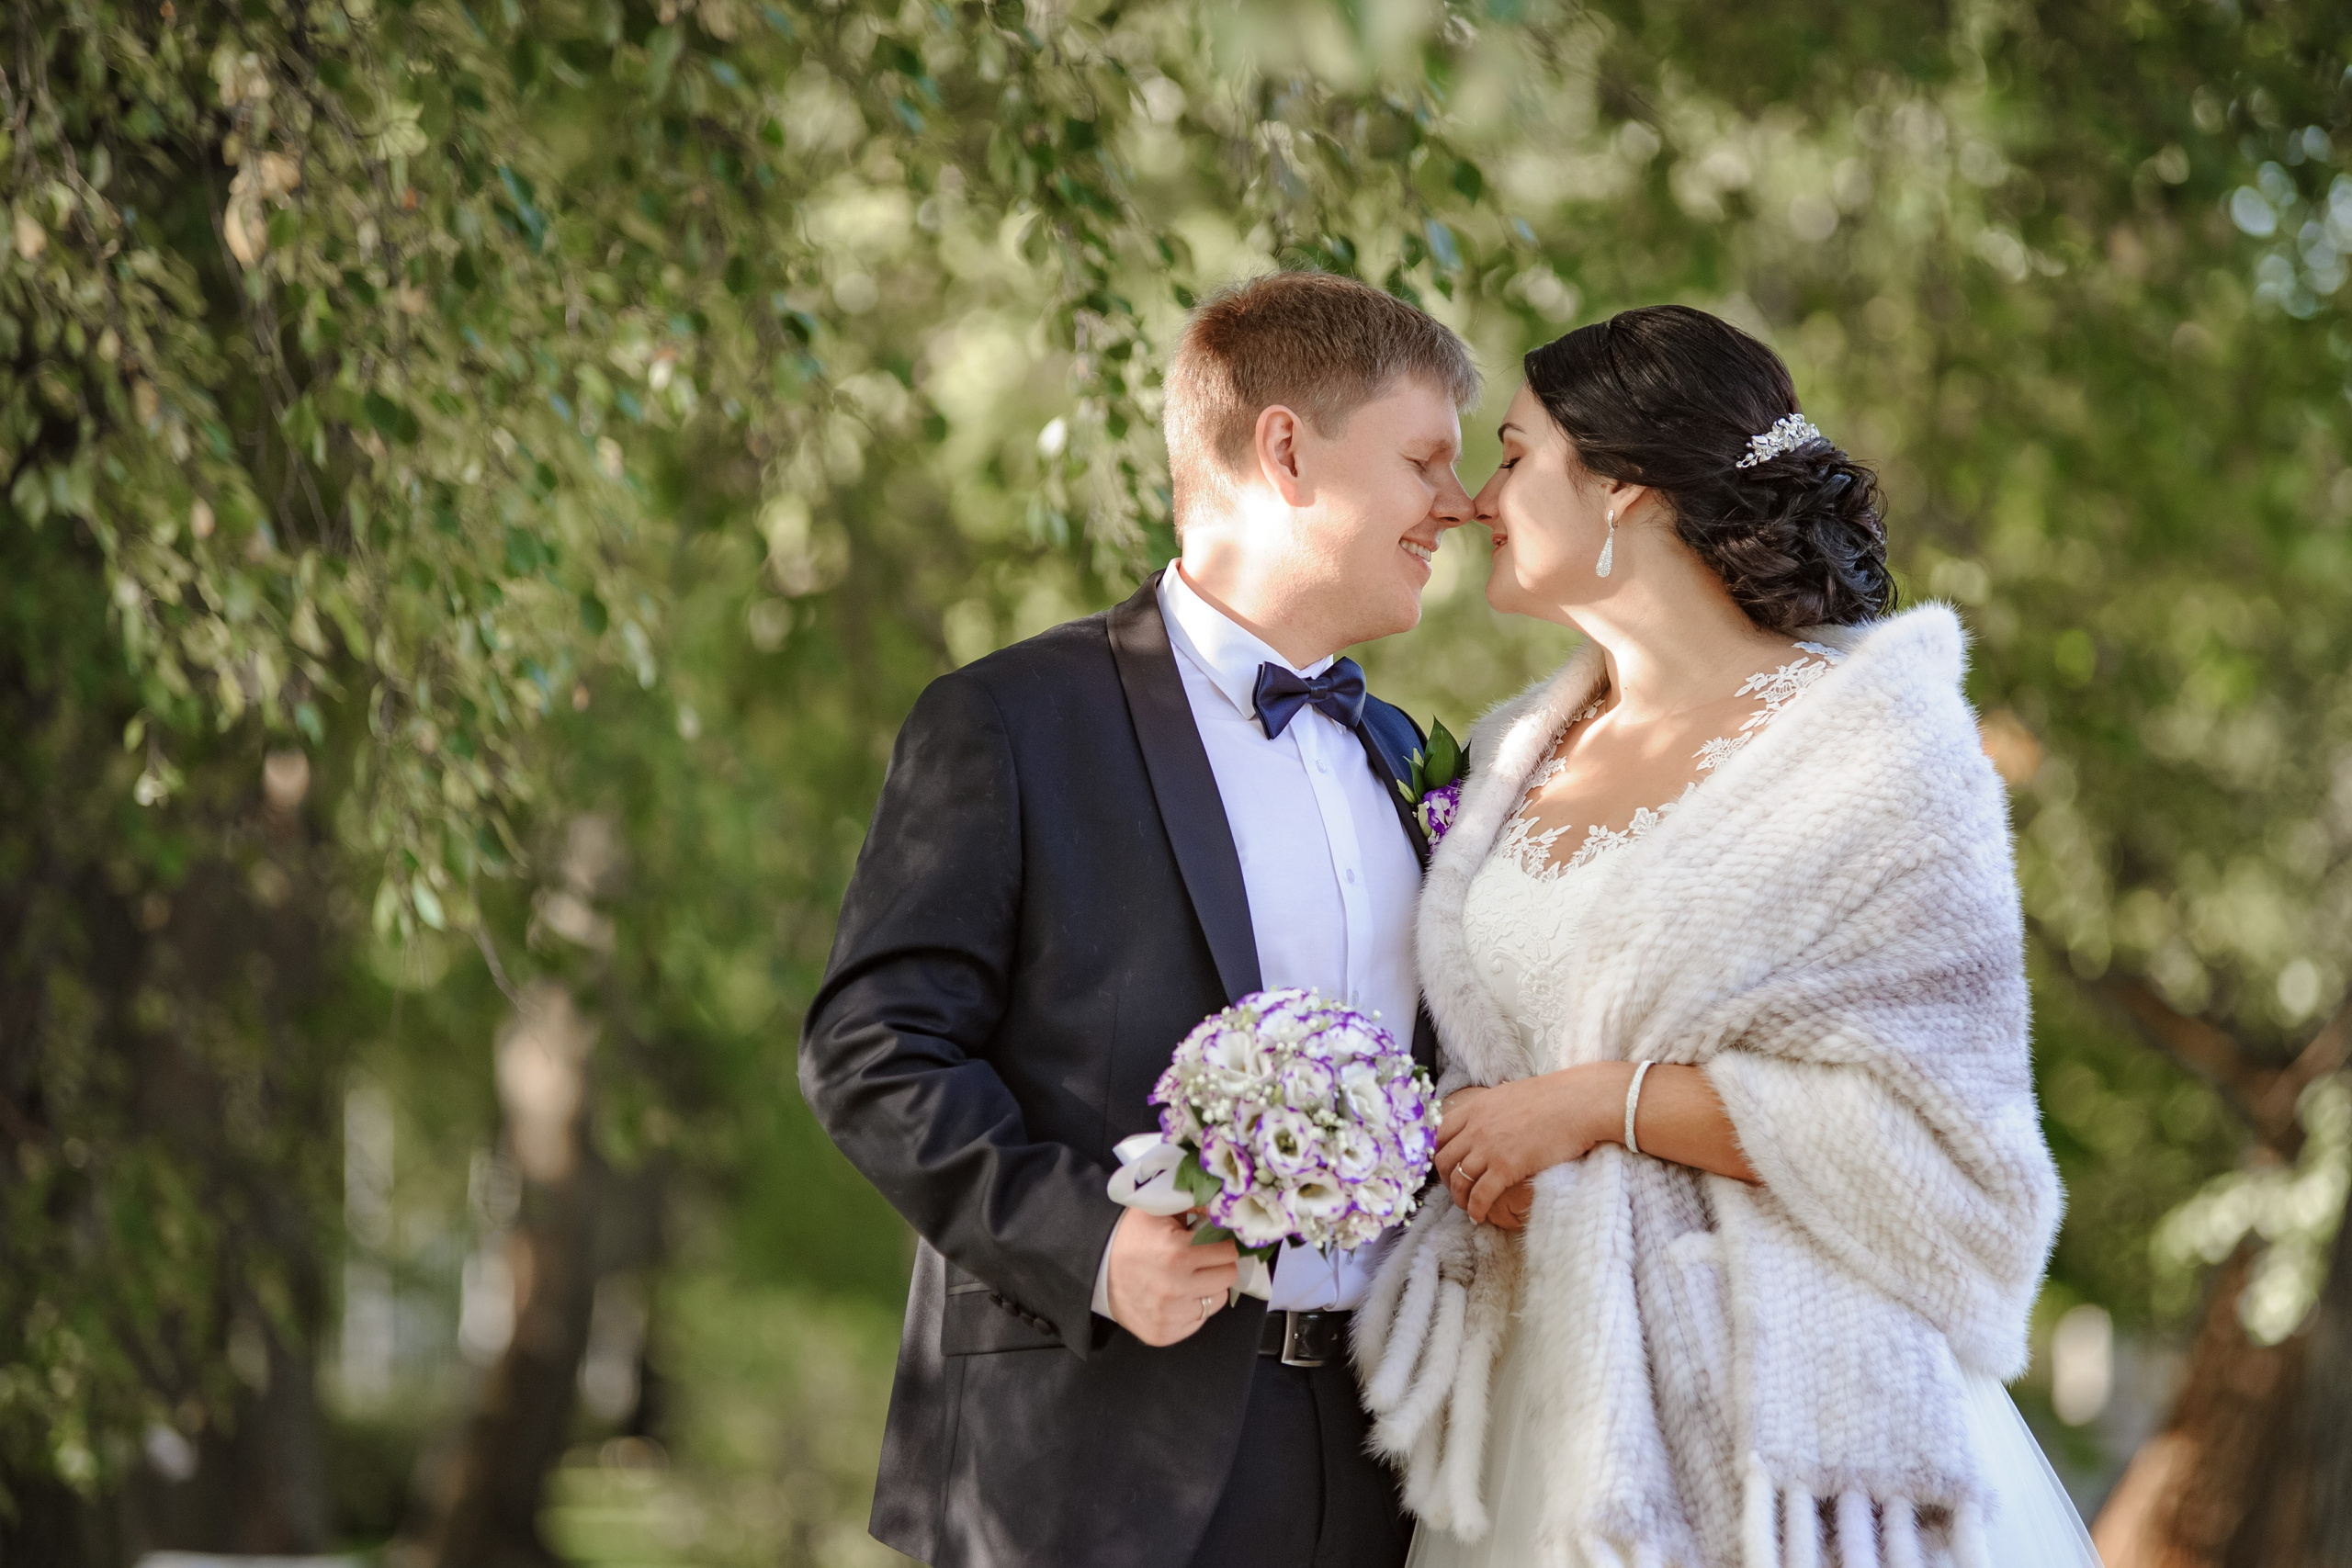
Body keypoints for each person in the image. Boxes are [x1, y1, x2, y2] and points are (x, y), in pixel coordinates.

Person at [1351, 306, 2101, 1568]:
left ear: (1627, 493)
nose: (1479, 499)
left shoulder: (1877, 754)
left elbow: (1948, 1148)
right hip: (1539, 1405)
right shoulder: (1501, 760)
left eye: (1516, 455)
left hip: (1784, 1426)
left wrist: (1600, 1103)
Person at [799, 270, 1479, 1568]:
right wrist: (1092, 1243)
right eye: (1424, 460)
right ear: (1285, 451)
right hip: (1093, 1458)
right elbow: (871, 1051)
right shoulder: (1011, 721)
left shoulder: (1408, 757)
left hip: (1379, 1458)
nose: (1459, 505)